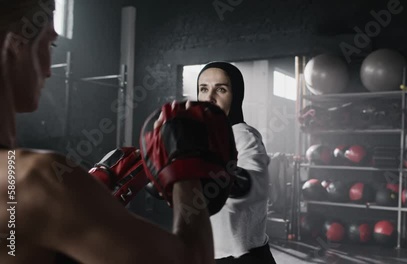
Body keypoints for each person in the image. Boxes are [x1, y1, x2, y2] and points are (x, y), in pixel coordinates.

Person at [0, 1, 236, 263]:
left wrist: (90, 207)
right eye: (49, 44)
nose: (48, 70)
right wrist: (185, 169)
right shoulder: (36, 180)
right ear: (15, 47)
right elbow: (193, 259)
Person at [197, 62, 276, 263]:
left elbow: (254, 184)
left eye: (221, 89)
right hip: (211, 254)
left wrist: (202, 172)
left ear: (236, 96)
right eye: (203, 89)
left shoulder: (242, 134)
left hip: (242, 257)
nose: (210, 97)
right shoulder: (199, 138)